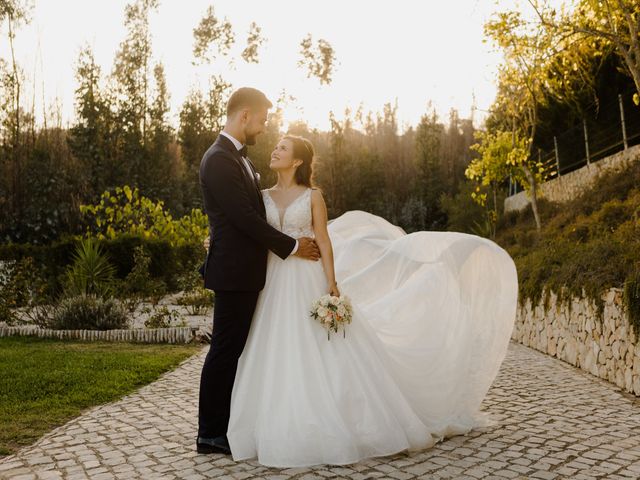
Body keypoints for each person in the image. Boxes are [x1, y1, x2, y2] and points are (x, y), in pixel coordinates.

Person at [225, 135, 519, 467]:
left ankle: (335, 416)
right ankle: (275, 418)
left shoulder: (312, 196)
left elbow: (323, 239)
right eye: (276, 146)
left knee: (323, 345)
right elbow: (252, 232)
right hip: (274, 280)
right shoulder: (261, 195)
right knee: (275, 345)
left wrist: (331, 283)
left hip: (307, 276)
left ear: (296, 162)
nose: (275, 151)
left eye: (282, 148)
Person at [197, 88, 321, 455]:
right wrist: (293, 246)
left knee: (235, 349)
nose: (264, 127)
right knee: (224, 350)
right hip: (233, 272)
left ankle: (228, 424)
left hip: (246, 272)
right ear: (245, 116)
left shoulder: (243, 161)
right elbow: (245, 219)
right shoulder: (219, 159)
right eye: (263, 120)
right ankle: (210, 433)